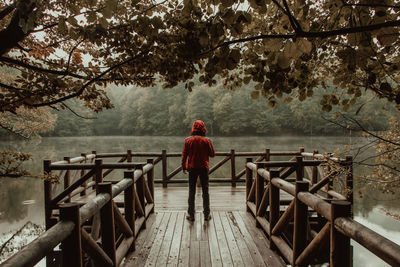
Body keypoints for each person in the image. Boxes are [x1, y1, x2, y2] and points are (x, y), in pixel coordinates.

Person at [182, 120, 215, 221]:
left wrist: (183, 167)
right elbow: (212, 154)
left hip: (192, 167)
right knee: (205, 191)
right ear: (203, 128)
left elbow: (184, 155)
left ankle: (191, 215)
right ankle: (206, 215)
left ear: (193, 128)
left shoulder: (188, 141)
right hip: (204, 167)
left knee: (191, 191)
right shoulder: (207, 141)